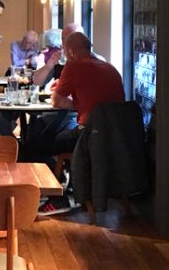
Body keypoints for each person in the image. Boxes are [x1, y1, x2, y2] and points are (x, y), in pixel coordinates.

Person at [31, 32, 124, 213]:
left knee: (37, 145)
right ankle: (73, 186)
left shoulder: (74, 67)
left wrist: (77, 104)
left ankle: (58, 198)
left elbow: (57, 101)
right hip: (116, 134)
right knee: (48, 134)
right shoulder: (108, 67)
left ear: (71, 52)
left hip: (88, 133)